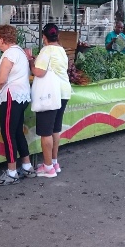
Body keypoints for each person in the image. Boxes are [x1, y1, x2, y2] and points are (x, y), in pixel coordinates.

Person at [0, 25, 35, 185]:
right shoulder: (19, 51)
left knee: (8, 134)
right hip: (21, 97)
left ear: (1, 39)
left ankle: (12, 172)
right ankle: (27, 166)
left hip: (11, 98)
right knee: (17, 132)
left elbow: (2, 80)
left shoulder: (9, 55)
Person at [28, 23, 71, 178]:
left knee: (46, 131)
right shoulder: (61, 50)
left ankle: (47, 168)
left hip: (50, 94)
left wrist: (31, 61)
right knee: (55, 129)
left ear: (44, 37)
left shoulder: (46, 50)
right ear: (57, 36)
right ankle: (53, 162)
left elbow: (39, 72)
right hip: (64, 92)